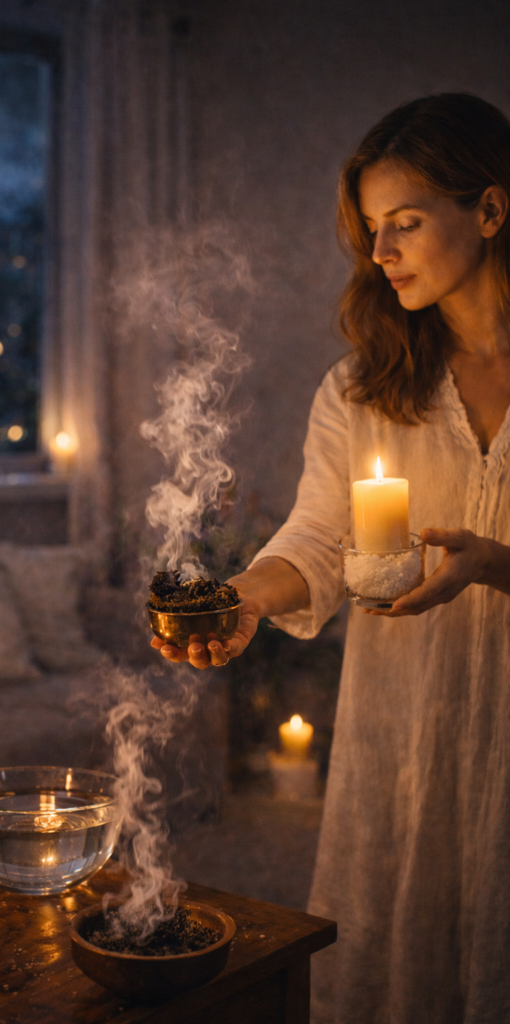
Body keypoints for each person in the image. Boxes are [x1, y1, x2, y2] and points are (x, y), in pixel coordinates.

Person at [152, 94, 510, 1023]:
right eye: (369, 230)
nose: (380, 253)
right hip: (405, 716)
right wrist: (241, 599)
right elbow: (317, 536)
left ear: (490, 210)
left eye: (404, 224)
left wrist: (494, 564)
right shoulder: (359, 388)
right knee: (403, 955)